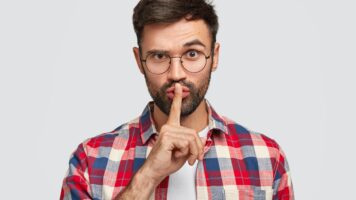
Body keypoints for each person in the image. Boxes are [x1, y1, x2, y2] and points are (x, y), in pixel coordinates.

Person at [60, 0, 294, 199]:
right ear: (138, 60)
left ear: (214, 57)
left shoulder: (266, 158)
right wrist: (148, 175)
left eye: (192, 54)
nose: (176, 74)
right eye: (159, 56)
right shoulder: (90, 160)